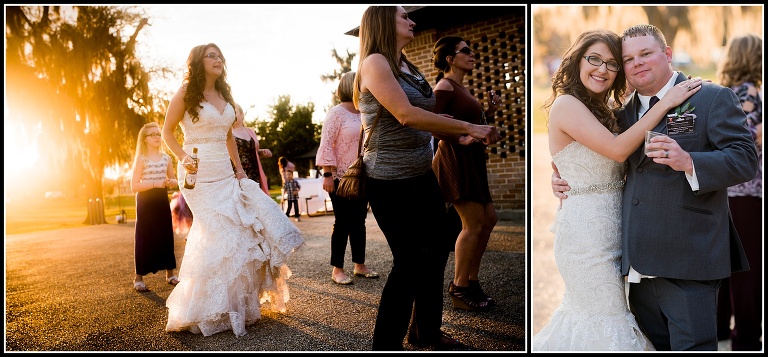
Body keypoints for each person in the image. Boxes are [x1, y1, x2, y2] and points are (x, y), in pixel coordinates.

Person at [550, 24, 758, 351]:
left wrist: (689, 161)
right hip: (633, 263)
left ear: (667, 54)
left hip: (689, 259)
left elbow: (745, 159)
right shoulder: (620, 115)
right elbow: (600, 155)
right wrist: (564, 177)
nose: (637, 63)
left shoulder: (711, 97)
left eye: (646, 53)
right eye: (628, 59)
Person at [532, 28, 703, 351]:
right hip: (585, 238)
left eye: (612, 63)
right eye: (594, 59)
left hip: (617, 233)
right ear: (577, 61)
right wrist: (665, 103)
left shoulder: (609, 110)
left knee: (610, 319)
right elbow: (617, 150)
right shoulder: (566, 104)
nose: (603, 69)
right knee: (604, 321)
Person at [353, 6, 500, 350]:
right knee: (408, 263)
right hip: (390, 181)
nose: (412, 21)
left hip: (422, 175)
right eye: (403, 16)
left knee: (434, 256)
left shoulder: (407, 64)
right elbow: (406, 114)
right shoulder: (375, 63)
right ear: (383, 22)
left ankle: (426, 333)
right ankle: (385, 345)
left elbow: (429, 118)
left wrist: (457, 136)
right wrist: (469, 127)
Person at [161, 43, 304, 337]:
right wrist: (183, 157)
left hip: (224, 172)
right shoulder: (186, 92)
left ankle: (235, 306)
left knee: (237, 233)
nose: (218, 59)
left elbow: (228, 137)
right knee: (216, 232)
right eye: (211, 55)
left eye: (220, 56)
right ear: (198, 62)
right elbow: (167, 132)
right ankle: (203, 307)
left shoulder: (225, 94)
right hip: (197, 172)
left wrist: (239, 170)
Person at [430, 35, 501, 311]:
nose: (472, 54)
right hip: (455, 160)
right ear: (450, 59)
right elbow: (432, 124)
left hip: (473, 160)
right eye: (465, 50)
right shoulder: (444, 86)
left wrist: (490, 111)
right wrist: (459, 138)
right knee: (473, 223)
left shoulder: (461, 87)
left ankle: (471, 281)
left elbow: (473, 124)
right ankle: (459, 288)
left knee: (489, 218)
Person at [714, 33, 763, 351]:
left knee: (725, 263)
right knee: (749, 268)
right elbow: (744, 136)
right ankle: (746, 338)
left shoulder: (723, 92)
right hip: (747, 192)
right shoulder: (749, 92)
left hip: (723, 191)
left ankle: (719, 327)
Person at [316, 71, 379, 286]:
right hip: (340, 177)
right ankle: (338, 269)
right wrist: (327, 174)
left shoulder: (364, 112)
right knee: (342, 222)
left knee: (359, 221)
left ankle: (359, 265)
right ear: (351, 86)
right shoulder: (336, 113)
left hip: (362, 176)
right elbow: (326, 144)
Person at [129, 122, 180, 292]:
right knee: (144, 237)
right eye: (153, 135)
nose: (157, 137)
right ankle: (138, 278)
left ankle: (170, 274)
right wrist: (154, 183)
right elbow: (134, 186)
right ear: (145, 139)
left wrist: (171, 182)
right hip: (145, 201)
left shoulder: (166, 158)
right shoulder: (141, 159)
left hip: (161, 199)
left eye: (158, 134)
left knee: (165, 234)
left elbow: (173, 181)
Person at [231, 103, 272, 195]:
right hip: (238, 174)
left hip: (254, 173)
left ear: (242, 114)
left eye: (235, 112)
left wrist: (262, 152)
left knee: (257, 199)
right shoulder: (228, 133)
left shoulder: (250, 132)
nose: (233, 115)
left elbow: (253, 151)